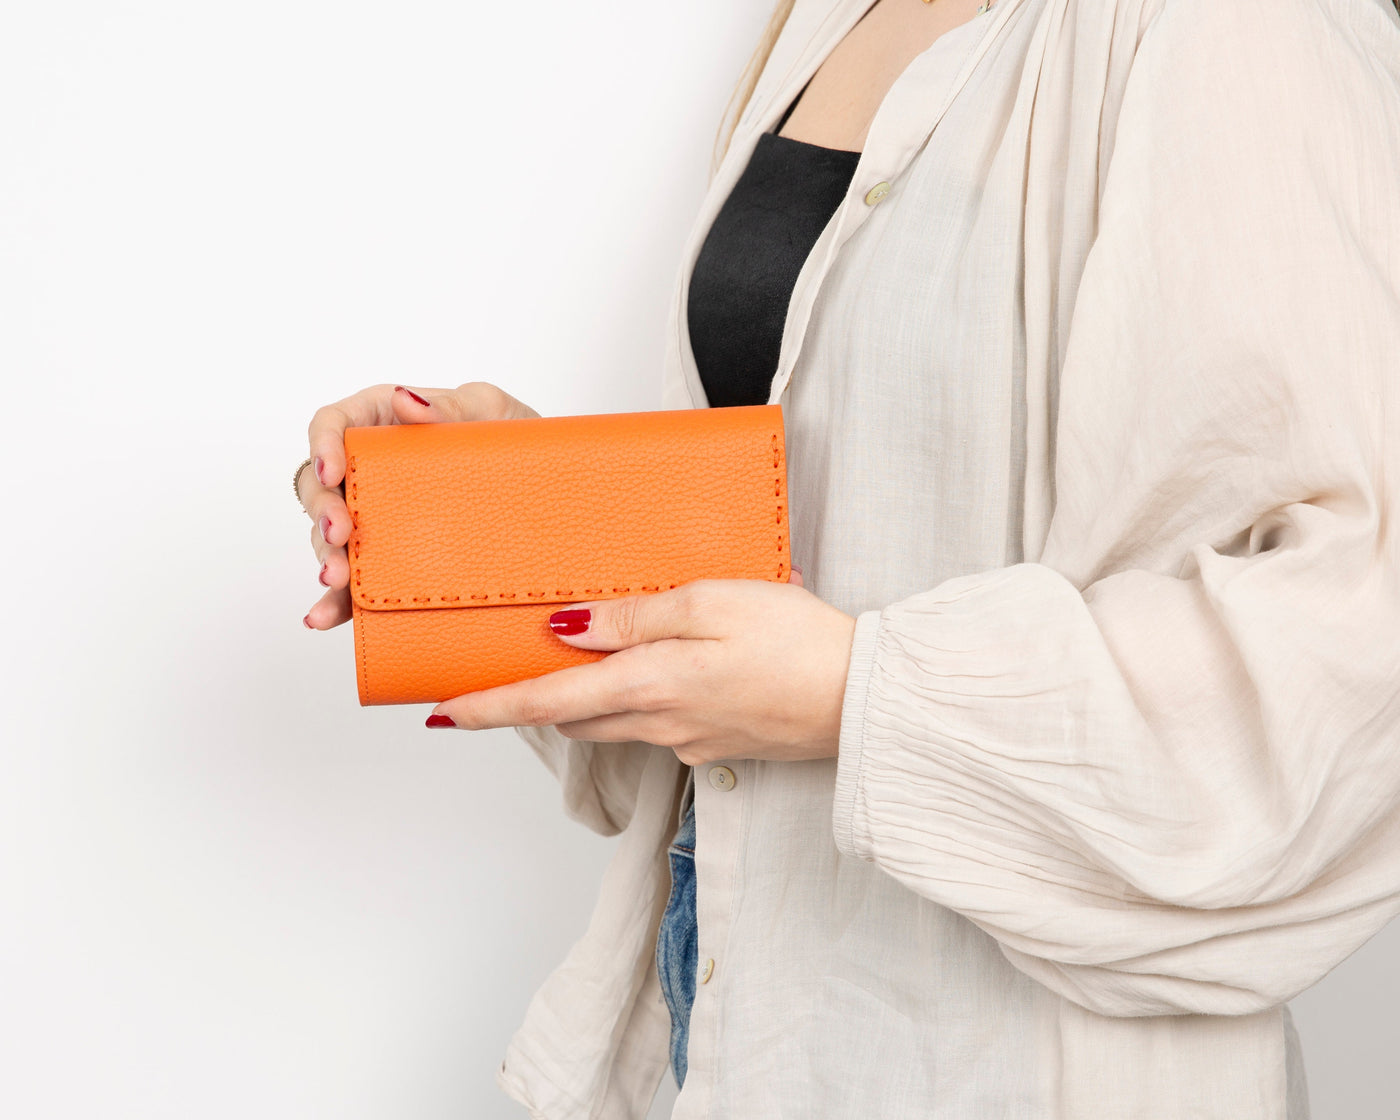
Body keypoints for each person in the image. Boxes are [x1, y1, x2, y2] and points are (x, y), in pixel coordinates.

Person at [293, 0, 1400, 1115]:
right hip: (731, 1017)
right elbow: (826, 529)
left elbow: (1356, 646)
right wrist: (512, 511)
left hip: (1013, 1068)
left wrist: (854, 693)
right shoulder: (818, 20)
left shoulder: (1247, 26)